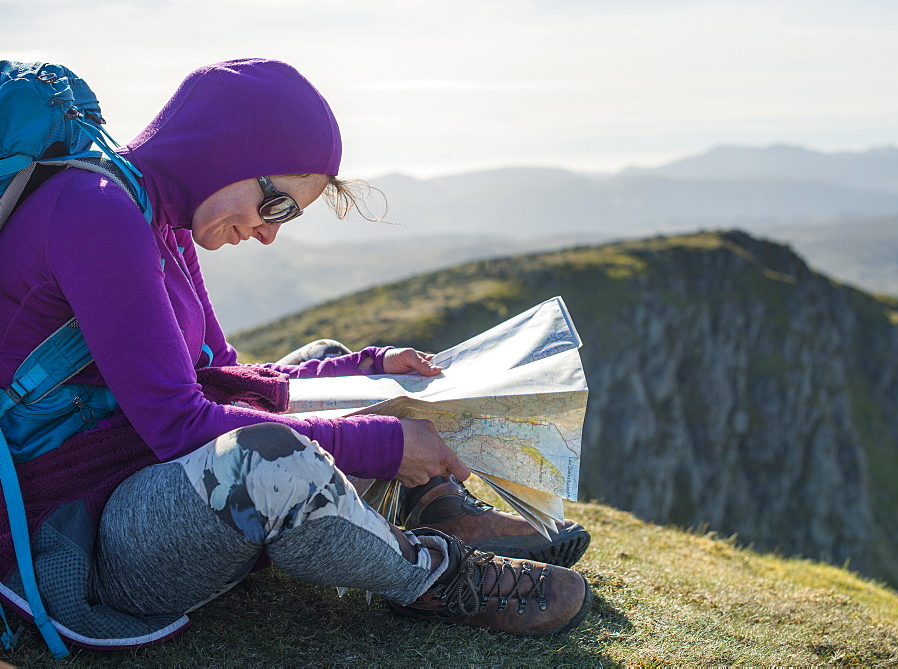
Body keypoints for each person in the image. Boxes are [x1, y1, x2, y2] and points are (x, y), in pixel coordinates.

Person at [0, 58, 592, 645]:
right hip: (77, 527)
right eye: (277, 204)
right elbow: (179, 426)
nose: (268, 232)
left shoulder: (162, 222)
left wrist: (365, 368)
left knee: (329, 360)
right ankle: (439, 577)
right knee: (271, 457)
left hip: (128, 473)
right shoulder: (98, 213)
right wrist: (384, 443)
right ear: (228, 153)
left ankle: (437, 507)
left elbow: (223, 377)